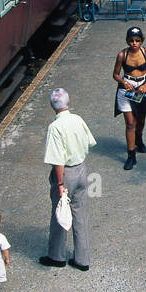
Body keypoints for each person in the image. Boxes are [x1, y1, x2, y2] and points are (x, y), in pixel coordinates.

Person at [42, 88, 96, 272]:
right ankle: (82, 259)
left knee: (60, 214)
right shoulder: (78, 119)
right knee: (80, 215)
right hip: (81, 169)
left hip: (65, 174)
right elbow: (89, 142)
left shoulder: (55, 127)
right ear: (69, 101)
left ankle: (56, 256)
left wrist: (59, 184)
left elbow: (58, 160)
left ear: (52, 105)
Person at [112, 27, 146, 170]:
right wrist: (123, 82)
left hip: (142, 88)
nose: (134, 43)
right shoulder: (122, 55)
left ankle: (139, 138)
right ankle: (131, 155)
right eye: (131, 41)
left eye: (137, 40)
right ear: (127, 41)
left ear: (142, 41)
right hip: (127, 90)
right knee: (130, 123)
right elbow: (116, 74)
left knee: (141, 120)